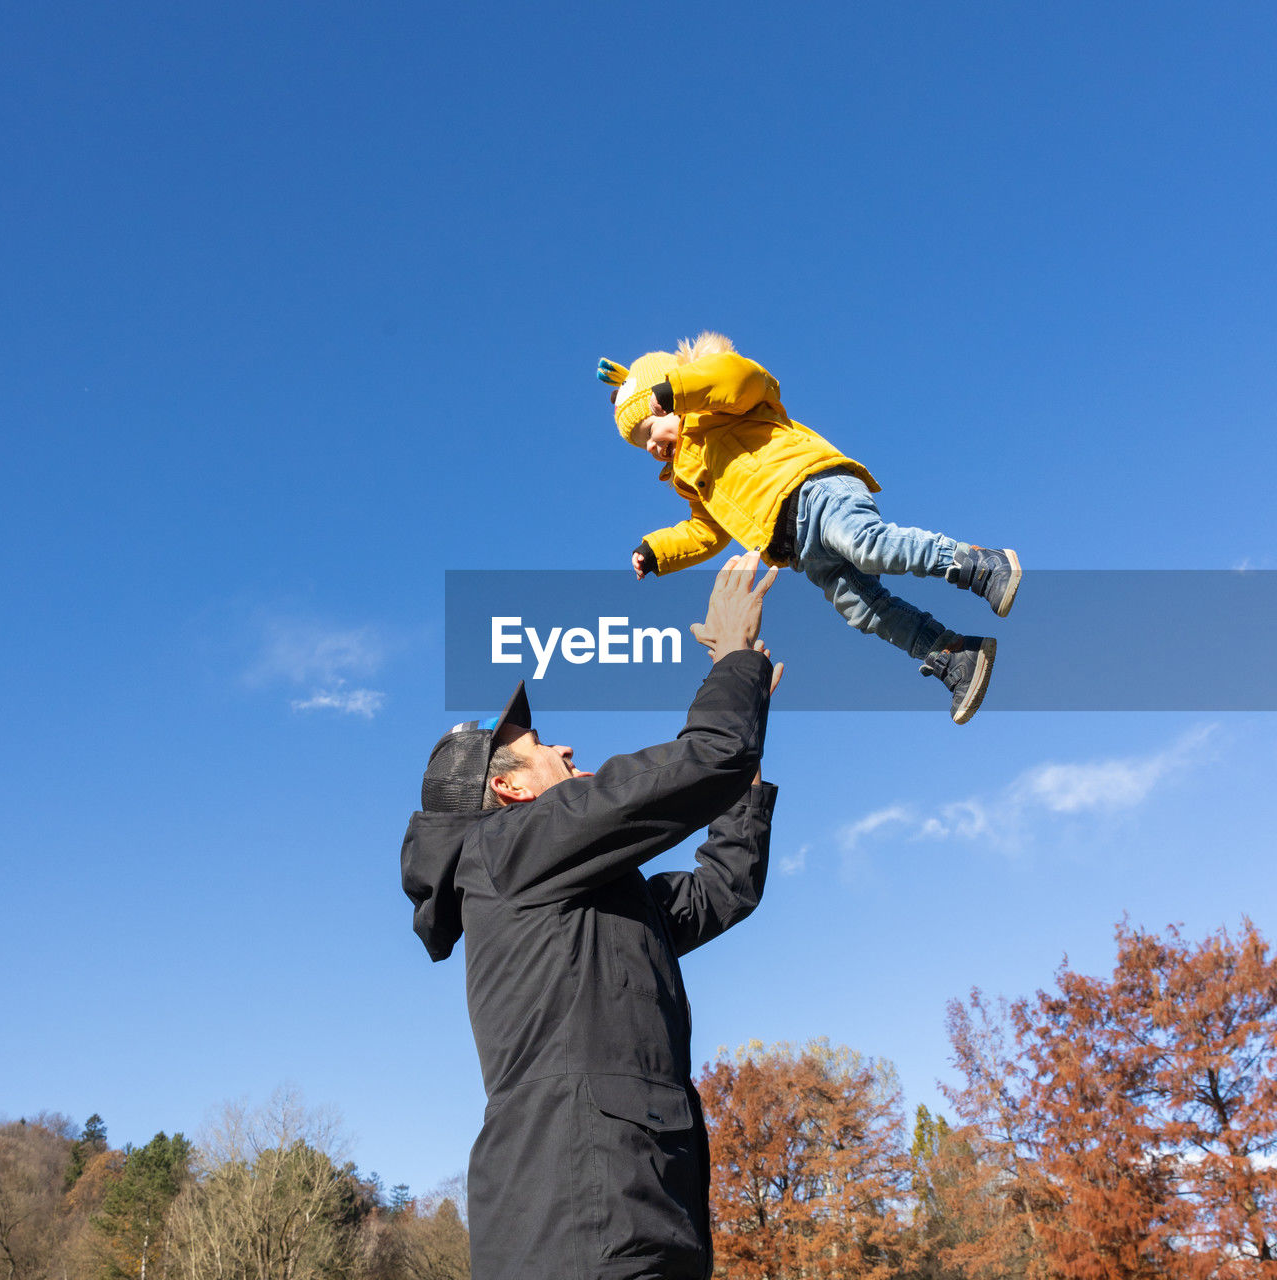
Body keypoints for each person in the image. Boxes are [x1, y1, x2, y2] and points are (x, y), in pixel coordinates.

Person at [401, 553, 782, 1280]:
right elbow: (706, 757)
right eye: (539, 746)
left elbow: (723, 888)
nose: (564, 745)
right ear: (508, 790)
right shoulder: (508, 849)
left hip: (632, 1216)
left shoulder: (587, 890)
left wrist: (743, 775)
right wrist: (734, 661)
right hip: (584, 1228)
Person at [597, 331, 1022, 724]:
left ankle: (980, 566)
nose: (653, 447)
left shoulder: (719, 407)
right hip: (798, 550)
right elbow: (706, 533)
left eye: (651, 429)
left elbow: (742, 378)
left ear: (671, 398)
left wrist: (681, 387)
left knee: (867, 545)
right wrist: (656, 551)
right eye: (643, 446)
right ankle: (954, 654)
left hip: (815, 491)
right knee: (861, 608)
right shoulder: (691, 478)